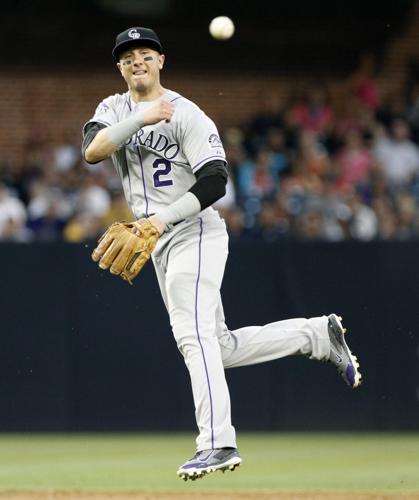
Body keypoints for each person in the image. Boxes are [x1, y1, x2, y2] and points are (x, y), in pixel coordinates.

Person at [81, 26, 362, 481]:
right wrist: (141, 118)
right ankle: (314, 335)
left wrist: (159, 220)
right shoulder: (112, 109)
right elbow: (93, 150)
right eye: (128, 56)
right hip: (155, 241)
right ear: (119, 66)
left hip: (193, 232)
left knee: (192, 337)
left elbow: (215, 182)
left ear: (161, 61)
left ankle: (216, 443)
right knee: (219, 346)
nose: (137, 61)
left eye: (146, 54)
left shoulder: (189, 114)